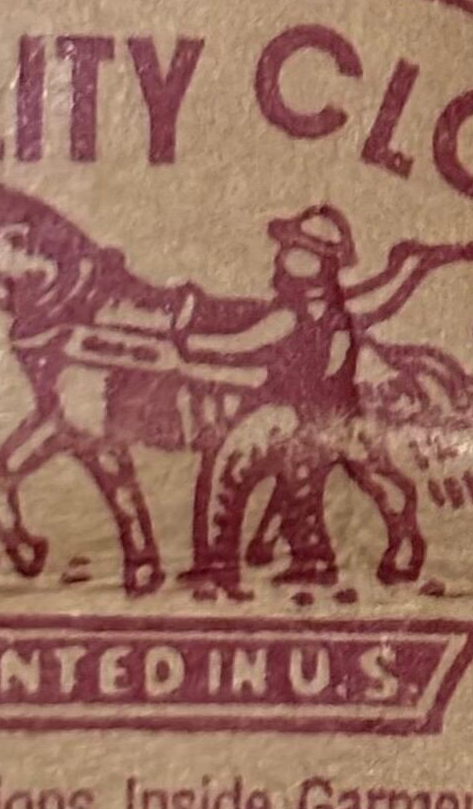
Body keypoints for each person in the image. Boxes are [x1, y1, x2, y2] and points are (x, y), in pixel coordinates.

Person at [178, 206, 425, 594]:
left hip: (292, 418)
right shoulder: (338, 316)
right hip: (336, 419)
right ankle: (323, 558)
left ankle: (218, 563)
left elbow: (233, 347)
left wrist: (184, 337)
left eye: (291, 249)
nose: (280, 257)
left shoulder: (288, 317)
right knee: (333, 485)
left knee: (228, 467)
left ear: (313, 263)